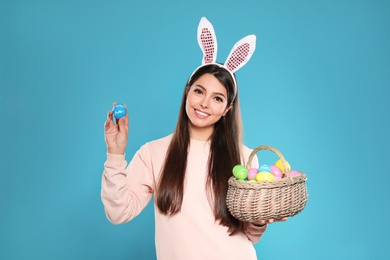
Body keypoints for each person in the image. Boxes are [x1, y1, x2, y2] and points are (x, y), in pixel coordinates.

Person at [101, 17, 287, 260]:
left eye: (217, 98)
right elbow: (118, 212)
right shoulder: (152, 153)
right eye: (199, 91)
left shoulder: (243, 157)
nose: (204, 103)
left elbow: (250, 235)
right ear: (187, 91)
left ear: (227, 109)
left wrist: (259, 221)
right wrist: (115, 154)